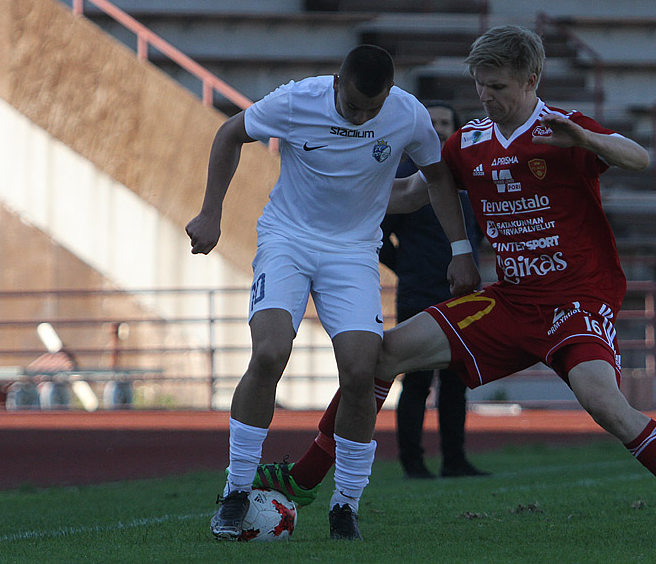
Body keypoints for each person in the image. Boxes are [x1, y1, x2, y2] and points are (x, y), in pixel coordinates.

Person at [252, 26, 656, 542]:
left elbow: (637, 156)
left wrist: (587, 139)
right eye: (480, 85)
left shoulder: (563, 130)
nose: (486, 96)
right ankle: (305, 479)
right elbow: (410, 193)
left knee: (604, 404)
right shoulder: (469, 142)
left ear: (532, 80)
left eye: (498, 86)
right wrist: (327, 190)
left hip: (574, 301)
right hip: (510, 301)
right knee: (382, 355)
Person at [186, 44, 480, 541]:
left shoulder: (407, 112)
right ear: (337, 83)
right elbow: (230, 132)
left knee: (363, 372)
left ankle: (345, 507)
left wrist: (461, 249)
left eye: (374, 108)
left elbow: (435, 178)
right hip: (288, 240)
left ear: (390, 94)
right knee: (271, 352)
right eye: (355, 106)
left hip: (353, 253)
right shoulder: (299, 100)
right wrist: (211, 211)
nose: (364, 117)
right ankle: (236, 491)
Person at [380, 101, 489, 479]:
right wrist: (407, 267)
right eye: (434, 122)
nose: (441, 128)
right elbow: (379, 235)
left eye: (447, 122)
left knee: (458, 379)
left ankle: (454, 460)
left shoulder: (468, 179)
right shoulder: (407, 176)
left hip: (464, 295)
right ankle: (413, 462)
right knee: (417, 380)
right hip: (419, 293)